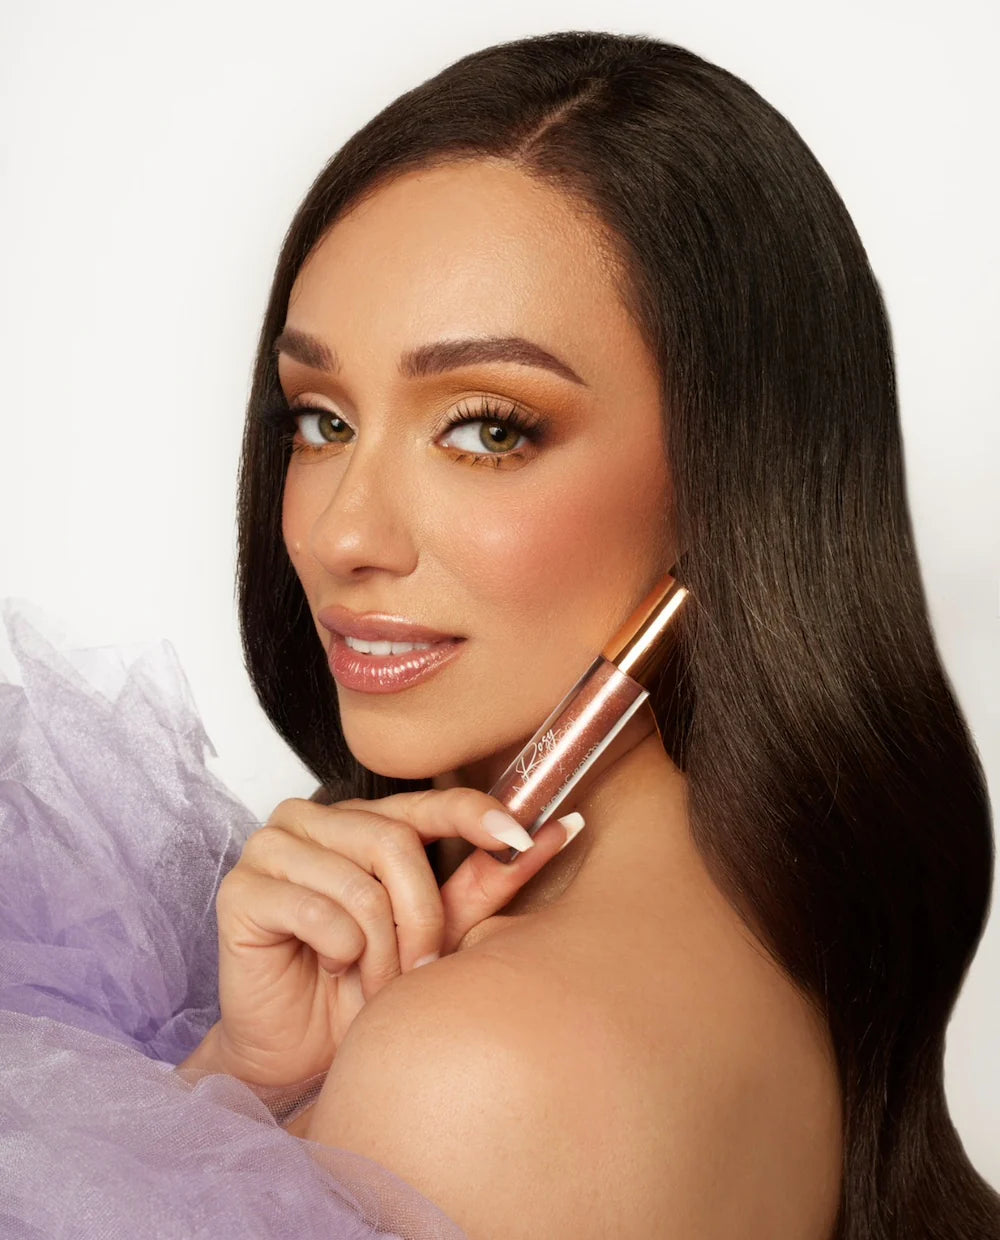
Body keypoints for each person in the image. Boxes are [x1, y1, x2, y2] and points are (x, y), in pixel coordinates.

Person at [1, 28, 997, 1240]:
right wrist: (241, 1081)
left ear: (726, 480)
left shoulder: (477, 1070)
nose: (341, 532)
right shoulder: (763, 949)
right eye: (319, 420)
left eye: (486, 429)